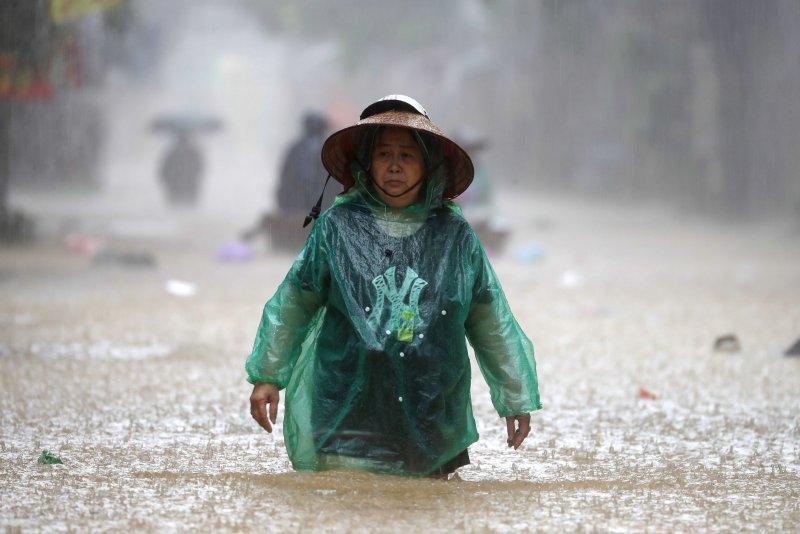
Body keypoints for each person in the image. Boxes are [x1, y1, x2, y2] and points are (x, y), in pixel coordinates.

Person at [246, 95, 541, 478]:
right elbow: (294, 304)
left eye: (408, 156)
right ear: (367, 163)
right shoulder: (337, 229)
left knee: (427, 506)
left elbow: (488, 318)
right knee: (346, 502)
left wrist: (514, 396)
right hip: (346, 414)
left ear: (428, 165)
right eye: (385, 155)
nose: (395, 166)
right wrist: (268, 375)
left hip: (431, 412)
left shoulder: (454, 236)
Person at [241, 111, 338, 250]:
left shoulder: (294, 148)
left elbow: (283, 181)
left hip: (290, 207)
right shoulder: (330, 149)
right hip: (317, 209)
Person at [159, 132, 204, 206]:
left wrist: (168, 182)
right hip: (190, 186)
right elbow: (200, 168)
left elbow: (164, 171)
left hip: (175, 186)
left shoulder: (171, 154)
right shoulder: (194, 153)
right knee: (190, 209)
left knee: (175, 209)